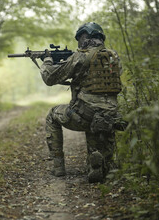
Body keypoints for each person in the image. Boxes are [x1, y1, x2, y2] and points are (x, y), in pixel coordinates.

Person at [40, 22, 124, 183]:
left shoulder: (81, 56)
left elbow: (50, 78)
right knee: (98, 141)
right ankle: (97, 165)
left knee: (52, 115)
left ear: (85, 37)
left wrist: (48, 61)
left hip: (85, 115)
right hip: (110, 116)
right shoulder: (114, 56)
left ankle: (58, 167)